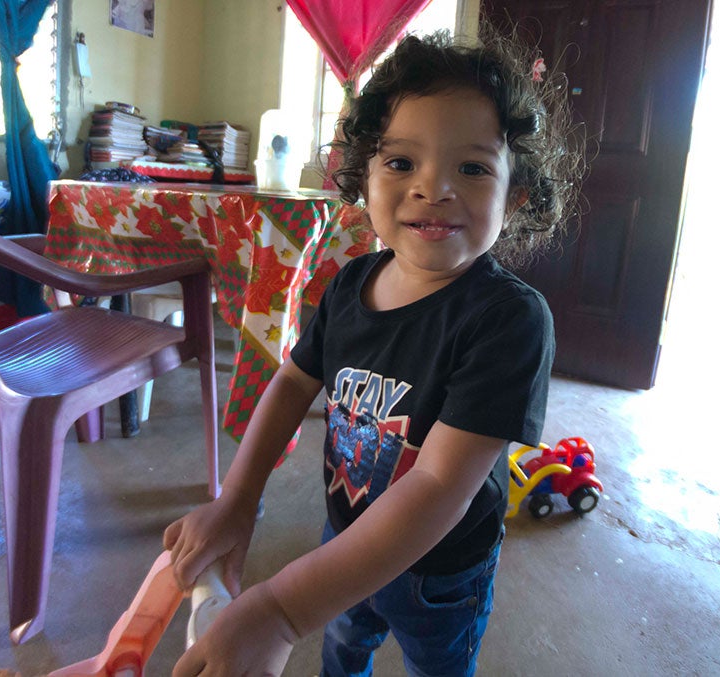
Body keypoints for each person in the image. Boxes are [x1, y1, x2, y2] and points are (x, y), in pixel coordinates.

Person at [164, 27, 583, 677]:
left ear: (516, 193)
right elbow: (291, 384)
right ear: (364, 177)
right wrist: (238, 496)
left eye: (472, 167)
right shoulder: (350, 285)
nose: (433, 187)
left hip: (442, 572)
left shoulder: (510, 322)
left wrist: (281, 608)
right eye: (401, 162)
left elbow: (440, 484)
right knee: (343, 648)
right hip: (348, 540)